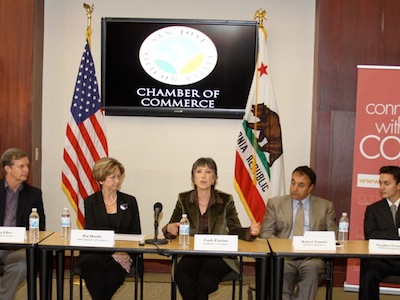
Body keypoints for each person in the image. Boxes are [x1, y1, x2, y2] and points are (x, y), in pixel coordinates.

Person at [162, 157, 260, 300]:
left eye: (208, 172)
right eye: (199, 171)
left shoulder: (225, 200)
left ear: (214, 178)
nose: (203, 176)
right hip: (191, 254)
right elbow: (171, 227)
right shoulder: (183, 199)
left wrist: (250, 232)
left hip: (219, 255)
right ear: (193, 177)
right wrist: (169, 229)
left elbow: (235, 230)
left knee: (206, 280)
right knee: (183, 277)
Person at [260, 165, 337, 300]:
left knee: (312, 271)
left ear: (311, 187)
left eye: (301, 185)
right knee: (281, 271)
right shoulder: (275, 203)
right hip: (284, 256)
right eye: (293, 182)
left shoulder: (325, 206)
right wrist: (286, 247)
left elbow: (333, 236)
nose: (294, 188)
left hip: (311, 257)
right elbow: (266, 233)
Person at [78, 157, 141, 300]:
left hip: (123, 253)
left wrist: (124, 252)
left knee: (113, 275)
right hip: (96, 252)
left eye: (119, 177)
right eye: (112, 177)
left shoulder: (129, 201)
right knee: (93, 271)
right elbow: (92, 232)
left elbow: (136, 233)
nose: (117, 181)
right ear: (101, 180)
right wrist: (111, 253)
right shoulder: (91, 202)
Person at [0, 147, 46, 299]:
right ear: (7, 168)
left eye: (27, 166)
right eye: (21, 166)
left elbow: (40, 226)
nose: (26, 169)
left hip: (17, 248)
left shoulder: (34, 194)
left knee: (22, 265)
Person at [359, 165, 400, 300]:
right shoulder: (373, 209)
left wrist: (385, 233)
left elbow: (379, 234)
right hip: (383, 260)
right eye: (380, 183)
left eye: (386, 183)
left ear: (399, 185)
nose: (381, 187)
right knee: (369, 272)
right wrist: (397, 234)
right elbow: (371, 235)